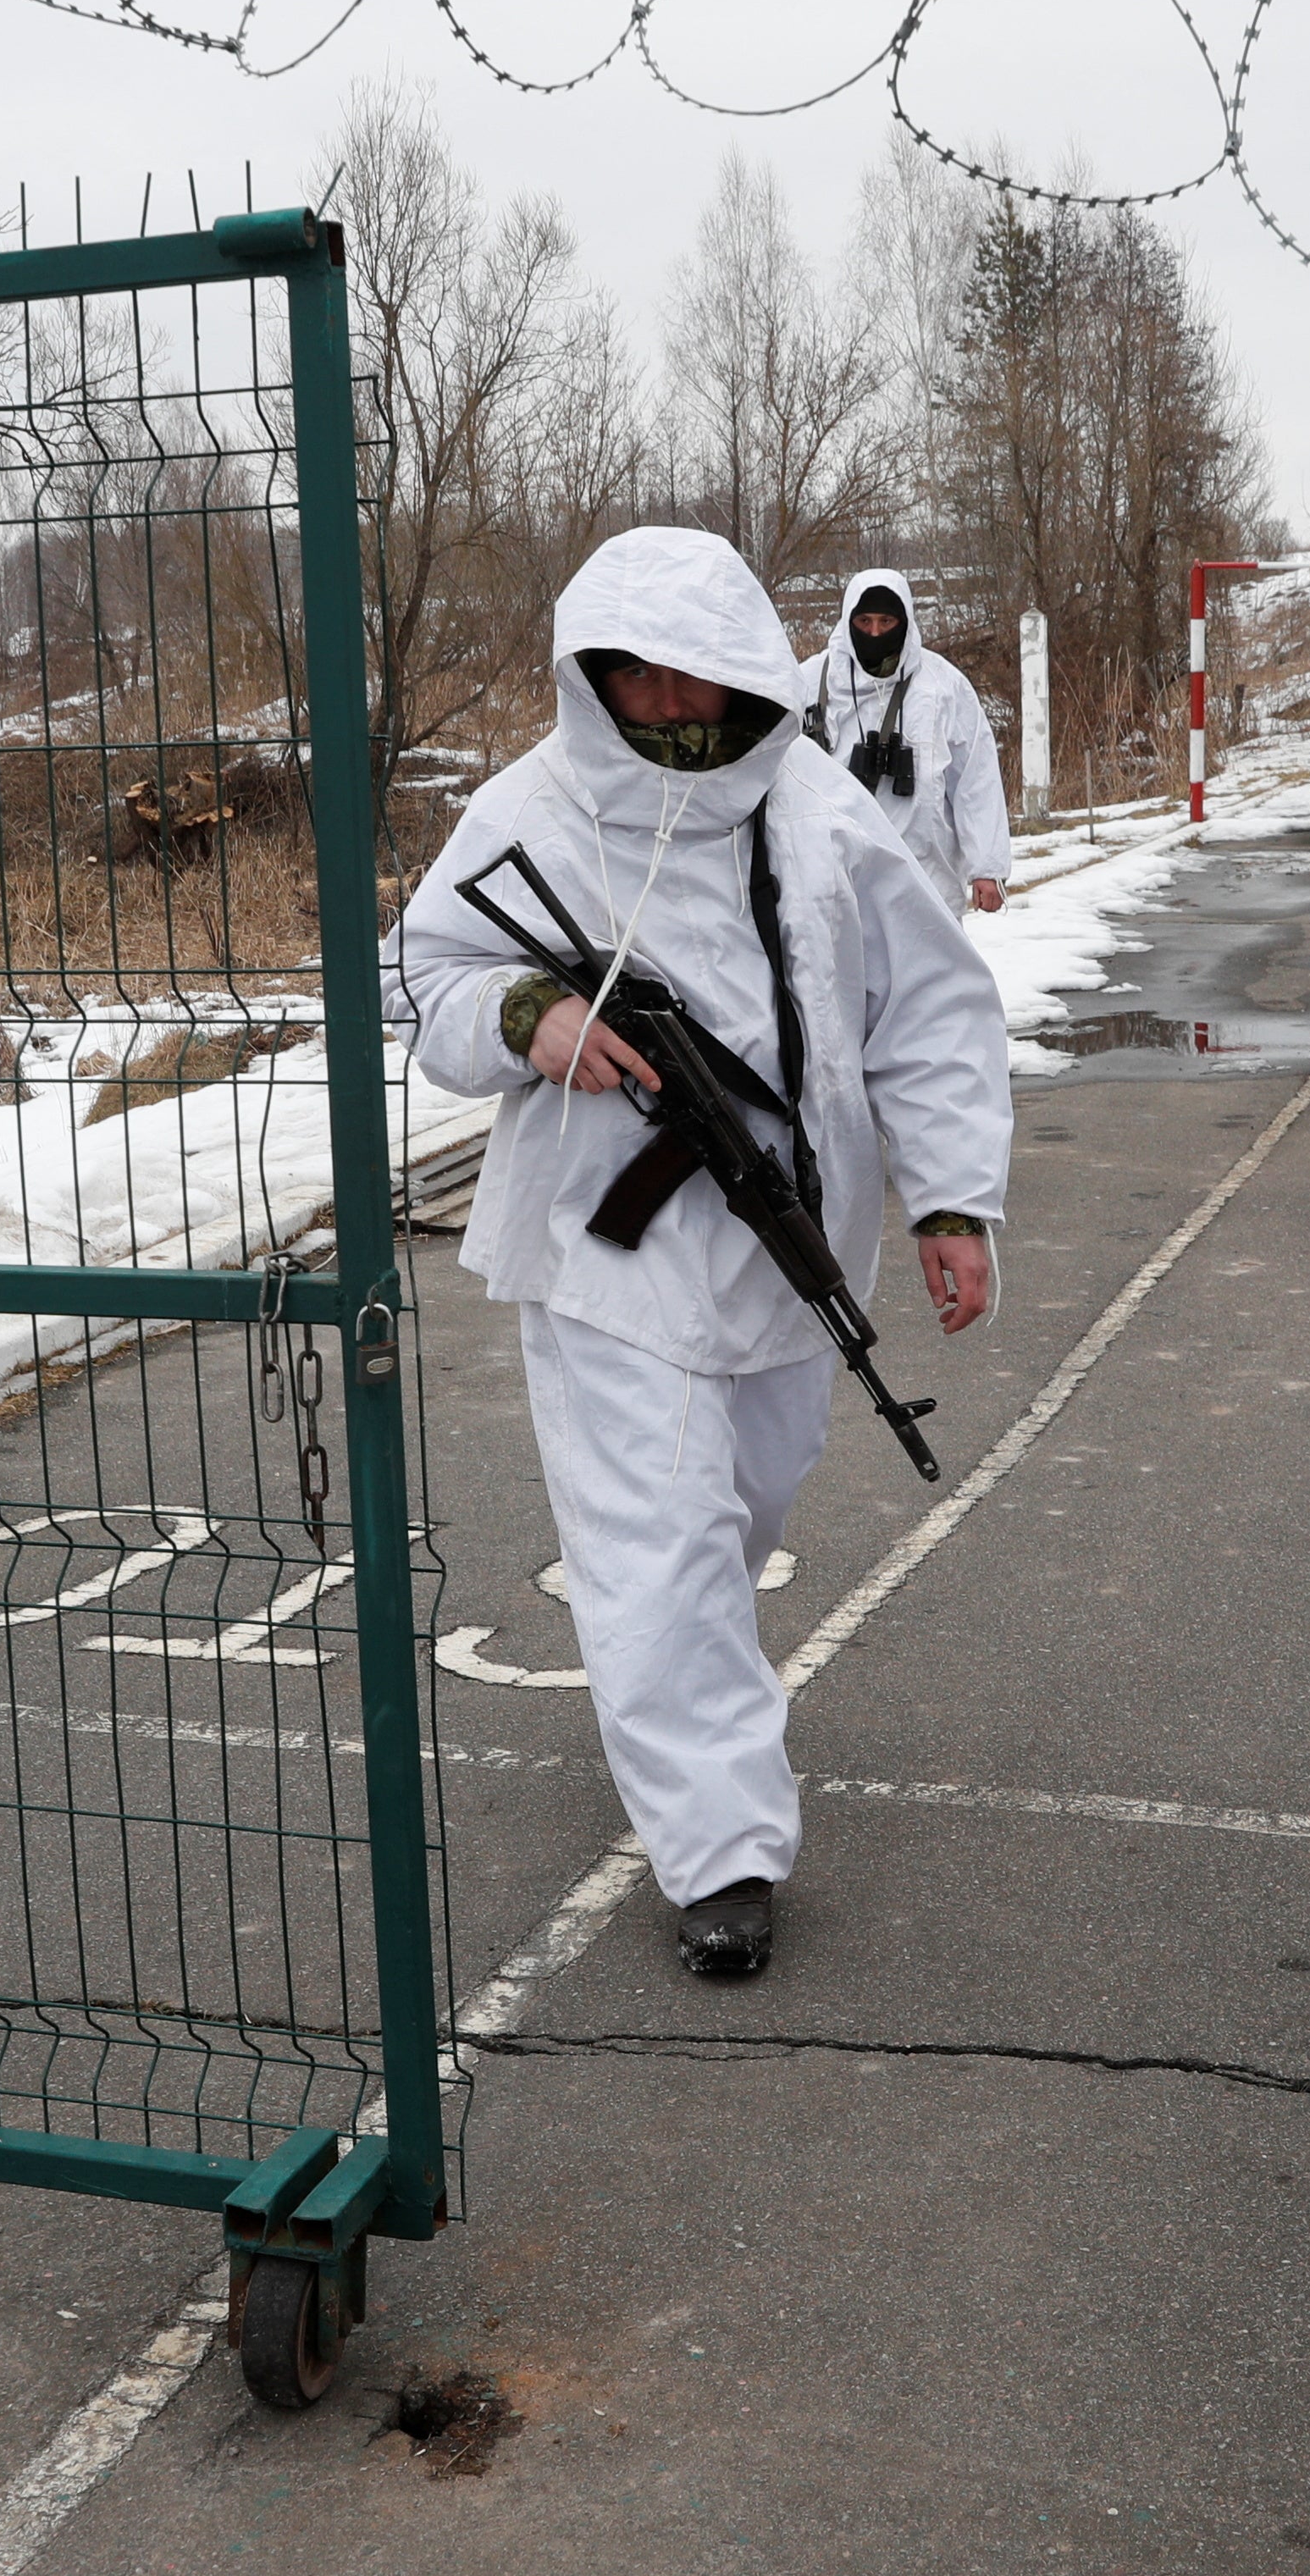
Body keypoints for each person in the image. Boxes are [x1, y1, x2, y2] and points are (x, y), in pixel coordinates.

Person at [390, 526, 1015, 1978]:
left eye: (696, 679)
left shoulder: (824, 816)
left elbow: (927, 1013)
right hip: (605, 1247)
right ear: (589, 671)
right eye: (637, 679)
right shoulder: (527, 811)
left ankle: (676, 1688)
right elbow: (426, 968)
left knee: (736, 1514)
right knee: (658, 1544)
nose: (669, 708)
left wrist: (949, 1201)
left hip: (794, 1239)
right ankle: (722, 1850)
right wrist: (523, 1019)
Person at [815, 569, 1014, 915]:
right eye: (864, 621)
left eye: (886, 621)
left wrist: (988, 867)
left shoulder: (943, 686)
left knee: (931, 969)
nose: (874, 633)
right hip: (832, 876)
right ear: (848, 619)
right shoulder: (812, 683)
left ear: (904, 621)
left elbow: (975, 778)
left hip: (925, 876)